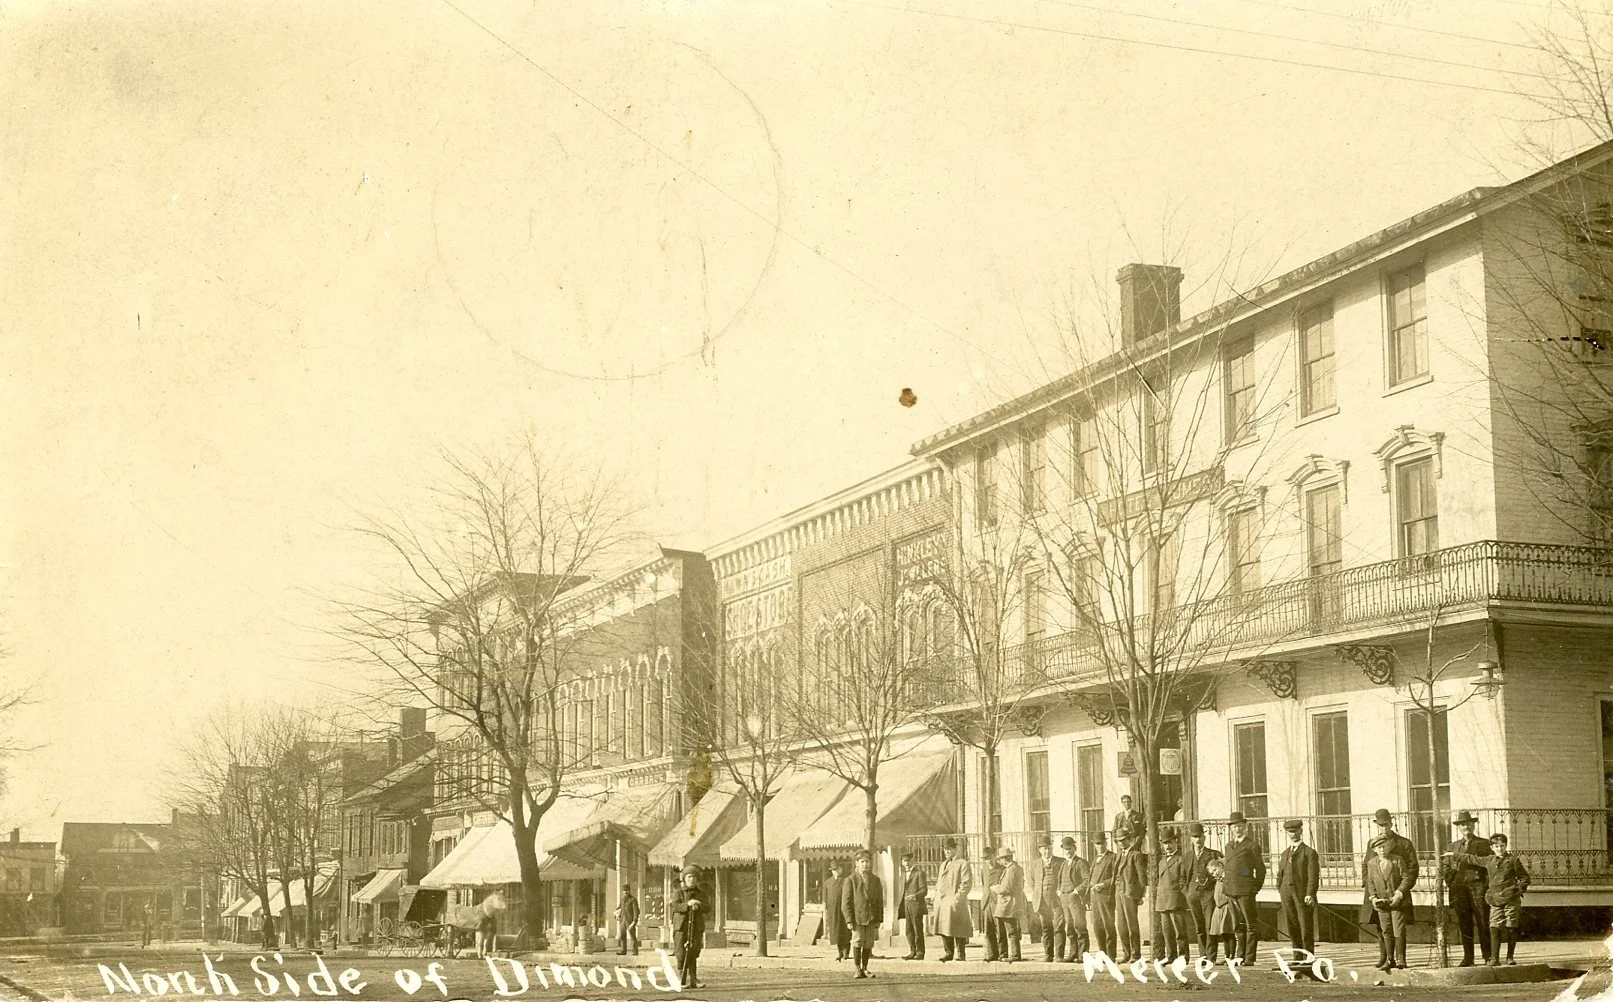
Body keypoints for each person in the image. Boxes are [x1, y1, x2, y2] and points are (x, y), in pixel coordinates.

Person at [1445, 831, 1531, 967]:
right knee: (1494, 927)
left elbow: (1525, 878)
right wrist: (1453, 855)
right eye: (1496, 846)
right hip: (1495, 900)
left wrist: (1517, 890)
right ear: (1492, 848)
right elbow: (1471, 858)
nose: (1499, 849)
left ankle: (1510, 957)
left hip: (1510, 899)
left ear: (1506, 846)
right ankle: (1494, 958)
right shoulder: (1489, 860)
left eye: (1502, 846)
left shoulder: (1513, 860)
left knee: (1510, 926)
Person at [1361, 808, 1417, 970]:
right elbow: (1366, 866)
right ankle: (1385, 956)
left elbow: (1412, 869)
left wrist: (1401, 891)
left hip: (1398, 890)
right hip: (1377, 891)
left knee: (1398, 925)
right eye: (1380, 825)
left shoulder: (1404, 843)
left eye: (1386, 824)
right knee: (1381, 925)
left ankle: (1400, 958)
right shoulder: (1372, 844)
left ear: (1391, 823)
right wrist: (1371, 892)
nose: (1384, 828)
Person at [1444, 810, 1493, 966]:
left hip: (1478, 888)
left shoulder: (1484, 844)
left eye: (1468, 824)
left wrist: (1485, 885)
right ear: (1459, 827)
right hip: (1459, 890)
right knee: (1464, 923)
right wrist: (1451, 881)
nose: (1466, 827)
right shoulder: (1453, 846)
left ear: (1473, 825)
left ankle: (1488, 956)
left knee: (1482, 921)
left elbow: (1489, 865)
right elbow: (1446, 867)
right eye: (1463, 824)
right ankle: (1468, 958)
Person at [1221, 811, 1266, 967]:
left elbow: (1260, 869)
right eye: (1234, 827)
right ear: (1231, 829)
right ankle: (1239, 956)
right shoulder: (1228, 846)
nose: (1237, 829)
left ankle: (1249, 958)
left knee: (1250, 925)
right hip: (1231, 891)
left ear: (1245, 827)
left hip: (1246, 891)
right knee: (1238, 926)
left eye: (1240, 826)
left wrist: (1255, 888)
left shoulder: (1251, 846)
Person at [1365, 842, 1413, 971]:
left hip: (1396, 901)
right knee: (1386, 930)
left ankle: (1401, 959)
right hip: (1382, 903)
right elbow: (1370, 882)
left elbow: (1406, 878)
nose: (1382, 850)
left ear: (1389, 847)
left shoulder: (1397, 860)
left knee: (1399, 930)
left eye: (1384, 847)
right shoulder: (1372, 863)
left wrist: (1399, 893)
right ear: (1375, 849)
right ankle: (1390, 959)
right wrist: (1373, 898)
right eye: (1379, 848)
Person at [1276, 819, 1319, 958]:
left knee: (1305, 927)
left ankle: (1308, 959)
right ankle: (1297, 958)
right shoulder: (1285, 853)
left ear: (1301, 831)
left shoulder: (1309, 852)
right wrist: (1280, 888)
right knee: (1292, 926)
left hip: (1302, 895)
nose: (1293, 834)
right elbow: (1280, 873)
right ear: (1287, 833)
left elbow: (1313, 876)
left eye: (1295, 831)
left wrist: (1310, 894)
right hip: (1286, 893)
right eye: (1290, 832)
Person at [841, 849, 885, 980]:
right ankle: (857, 968)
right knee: (858, 942)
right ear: (857, 863)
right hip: (857, 918)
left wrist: (879, 918)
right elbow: (846, 903)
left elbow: (879, 901)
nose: (865, 864)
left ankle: (865, 968)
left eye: (867, 862)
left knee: (868, 943)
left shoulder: (875, 880)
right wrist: (849, 920)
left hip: (871, 918)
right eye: (862, 862)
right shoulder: (851, 880)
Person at [1153, 829, 1191, 963]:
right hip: (1162, 901)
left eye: (1170, 842)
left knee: (1179, 931)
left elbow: (1182, 880)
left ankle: (1183, 956)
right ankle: (1171, 956)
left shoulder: (1181, 859)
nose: (1167, 846)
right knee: (1167, 931)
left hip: (1176, 900)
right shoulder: (1161, 862)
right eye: (1165, 843)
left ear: (1176, 842)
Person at [1185, 822, 1221, 962]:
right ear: (1191, 839)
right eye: (1195, 837)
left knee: (1209, 926)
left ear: (1204, 838)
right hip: (1193, 896)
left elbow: (1221, 871)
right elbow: (1183, 877)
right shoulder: (1187, 856)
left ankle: (1211, 957)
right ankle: (1202, 957)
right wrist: (1187, 892)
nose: (1198, 840)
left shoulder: (1213, 854)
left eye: (1199, 836)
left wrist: (1213, 891)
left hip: (1208, 895)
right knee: (1199, 927)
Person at [1027, 835, 1065, 962]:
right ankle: (1048, 955)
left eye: (1049, 848)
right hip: (1042, 900)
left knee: (1059, 927)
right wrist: (1039, 892)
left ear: (1052, 848)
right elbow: (1031, 881)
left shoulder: (1060, 862)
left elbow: (1064, 878)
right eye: (1044, 849)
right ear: (1039, 850)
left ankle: (1059, 956)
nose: (1047, 851)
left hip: (1056, 900)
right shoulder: (1035, 864)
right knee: (1046, 928)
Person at [934, 840, 973, 962]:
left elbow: (966, 883)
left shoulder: (962, 864)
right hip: (942, 901)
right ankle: (948, 952)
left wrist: (958, 898)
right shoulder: (943, 865)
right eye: (945, 849)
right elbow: (939, 882)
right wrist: (936, 895)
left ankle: (961, 953)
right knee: (944, 928)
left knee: (958, 928)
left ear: (956, 849)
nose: (947, 851)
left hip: (955, 901)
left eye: (949, 849)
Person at [1113, 830, 1147, 963]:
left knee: (1132, 924)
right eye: (1118, 841)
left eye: (1123, 840)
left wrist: (1141, 894)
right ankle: (1126, 953)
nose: (1121, 843)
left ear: (1129, 839)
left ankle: (1135, 954)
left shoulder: (1136, 855)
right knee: (1121, 924)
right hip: (1119, 891)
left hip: (1130, 893)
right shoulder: (1120, 854)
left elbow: (1141, 877)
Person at [670, 866, 707, 989]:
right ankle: (681, 978)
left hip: (696, 926)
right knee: (680, 951)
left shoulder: (700, 893)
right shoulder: (678, 892)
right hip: (681, 926)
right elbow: (675, 907)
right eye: (689, 877)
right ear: (684, 879)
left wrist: (699, 904)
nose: (692, 879)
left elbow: (708, 907)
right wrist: (687, 904)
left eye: (694, 877)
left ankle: (694, 979)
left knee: (694, 950)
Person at [1056, 835, 1089, 962]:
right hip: (1064, 899)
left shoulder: (1081, 863)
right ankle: (1073, 953)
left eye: (1070, 849)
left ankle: (1083, 955)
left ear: (1075, 848)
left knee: (1080, 926)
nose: (1068, 852)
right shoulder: (1063, 864)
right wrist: (1059, 890)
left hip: (1075, 899)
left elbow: (1087, 880)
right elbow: (1059, 880)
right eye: (1065, 849)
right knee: (1069, 927)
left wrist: (1076, 891)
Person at [989, 845, 1025, 963]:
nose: (999, 861)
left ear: (1006, 858)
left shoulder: (1011, 869)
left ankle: (1014, 955)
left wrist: (996, 889)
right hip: (1009, 904)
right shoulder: (1015, 868)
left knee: (1011, 931)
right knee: (1008, 931)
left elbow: (1007, 888)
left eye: (1000, 859)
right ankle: (1009, 954)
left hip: (1009, 904)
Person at [1085, 833, 1117, 958]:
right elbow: (1090, 879)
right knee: (1097, 926)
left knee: (1108, 925)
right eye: (1097, 844)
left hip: (1105, 896)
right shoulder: (1095, 859)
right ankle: (1102, 952)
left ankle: (1111, 955)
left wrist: (1103, 885)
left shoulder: (1112, 857)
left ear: (1106, 843)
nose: (1100, 846)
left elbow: (1115, 877)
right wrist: (1088, 896)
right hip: (1094, 897)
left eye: (1102, 843)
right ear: (1094, 845)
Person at [897, 851, 929, 960]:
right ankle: (912, 951)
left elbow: (924, 890)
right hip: (906, 906)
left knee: (917, 929)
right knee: (908, 930)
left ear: (912, 861)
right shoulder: (902, 875)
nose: (906, 863)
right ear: (901, 862)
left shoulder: (919, 873)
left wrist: (914, 896)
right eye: (904, 861)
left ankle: (920, 952)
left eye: (908, 861)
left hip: (916, 905)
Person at [1205, 858, 1237, 962]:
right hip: (1219, 908)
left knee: (1229, 932)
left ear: (1221, 866)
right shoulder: (1218, 880)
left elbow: (1231, 892)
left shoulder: (1228, 878)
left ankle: (1231, 956)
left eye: (1215, 870)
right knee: (1223, 933)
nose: (1214, 874)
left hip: (1227, 907)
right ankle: (1226, 957)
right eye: (1212, 873)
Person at [822, 861, 851, 961]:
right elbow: (825, 899)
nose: (836, 872)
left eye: (837, 869)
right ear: (831, 871)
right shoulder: (827, 883)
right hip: (833, 911)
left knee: (845, 931)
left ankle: (846, 952)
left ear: (841, 869)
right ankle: (839, 953)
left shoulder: (846, 881)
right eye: (834, 870)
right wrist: (825, 911)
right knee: (836, 931)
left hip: (844, 910)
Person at [981, 846, 1005, 961]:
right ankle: (992, 954)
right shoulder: (984, 869)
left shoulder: (1002, 869)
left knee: (1000, 929)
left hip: (998, 902)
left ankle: (1002, 953)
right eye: (985, 859)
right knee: (988, 930)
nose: (988, 861)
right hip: (987, 903)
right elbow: (984, 885)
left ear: (994, 856)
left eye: (989, 858)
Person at [616, 884, 640, 956]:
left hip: (630, 920)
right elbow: (619, 908)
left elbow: (636, 912)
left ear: (629, 891)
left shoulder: (633, 900)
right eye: (624, 890)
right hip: (623, 920)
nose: (625, 892)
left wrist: (634, 921)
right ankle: (623, 950)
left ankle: (635, 951)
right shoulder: (622, 899)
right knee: (622, 935)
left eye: (626, 890)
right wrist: (617, 915)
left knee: (632, 936)